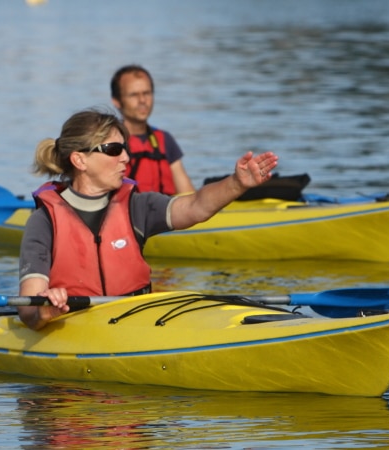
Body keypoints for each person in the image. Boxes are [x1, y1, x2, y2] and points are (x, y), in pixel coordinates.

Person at [18, 108, 278, 330]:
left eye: (125, 149)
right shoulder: (44, 222)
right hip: (74, 327)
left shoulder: (137, 206)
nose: (126, 158)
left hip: (136, 321)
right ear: (79, 160)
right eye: (113, 149)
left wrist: (236, 184)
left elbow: (195, 206)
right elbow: (28, 309)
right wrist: (44, 311)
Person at [110, 64, 196, 195]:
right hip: (123, 212)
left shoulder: (165, 139)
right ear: (117, 101)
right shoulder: (109, 143)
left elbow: (188, 194)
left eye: (147, 93)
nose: (143, 100)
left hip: (163, 212)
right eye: (134, 95)